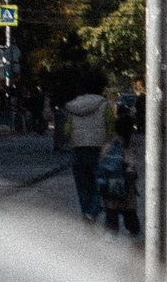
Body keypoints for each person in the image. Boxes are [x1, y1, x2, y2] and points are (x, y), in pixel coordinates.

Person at [61, 85, 109, 223]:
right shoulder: (104, 106)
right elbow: (111, 126)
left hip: (78, 150)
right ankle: (93, 211)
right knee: (100, 183)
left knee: (82, 185)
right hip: (98, 150)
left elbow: (67, 130)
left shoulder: (74, 108)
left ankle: (85, 211)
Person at [99, 116, 142, 239]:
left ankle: (110, 237)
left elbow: (101, 162)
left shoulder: (108, 145)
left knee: (111, 213)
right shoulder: (130, 146)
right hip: (126, 184)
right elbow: (131, 164)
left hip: (109, 184)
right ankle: (135, 238)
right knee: (130, 214)